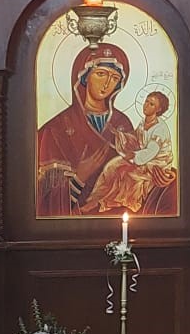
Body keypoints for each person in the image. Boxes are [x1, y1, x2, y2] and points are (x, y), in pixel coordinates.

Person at [37, 44, 134, 216]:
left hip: (113, 214)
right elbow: (42, 202)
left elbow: (132, 177)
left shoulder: (123, 124)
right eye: (101, 74)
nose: (107, 83)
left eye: (114, 78)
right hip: (73, 223)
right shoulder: (55, 129)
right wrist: (80, 177)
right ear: (84, 76)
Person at [80, 90, 177, 215]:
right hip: (141, 159)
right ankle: (96, 199)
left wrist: (134, 155)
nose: (146, 105)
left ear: (158, 110)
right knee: (112, 166)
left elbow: (151, 151)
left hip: (156, 164)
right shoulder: (143, 122)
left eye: (151, 104)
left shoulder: (160, 129)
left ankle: (112, 203)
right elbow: (136, 138)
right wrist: (120, 135)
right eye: (146, 101)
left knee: (128, 175)